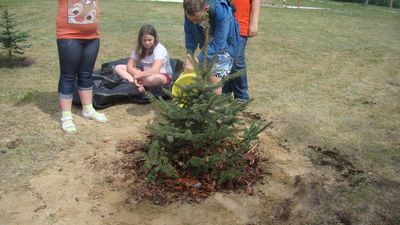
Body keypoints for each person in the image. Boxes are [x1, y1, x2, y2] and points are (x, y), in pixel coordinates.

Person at [56, 0, 107, 134]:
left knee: (86, 74)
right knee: (68, 76)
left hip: (92, 36)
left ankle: (88, 109)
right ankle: (66, 116)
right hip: (69, 36)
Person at [183, 0, 240, 95]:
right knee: (204, 72)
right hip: (208, 38)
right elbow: (190, 34)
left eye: (196, 19)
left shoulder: (220, 11)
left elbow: (219, 43)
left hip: (226, 41)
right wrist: (189, 55)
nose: (194, 23)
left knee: (215, 77)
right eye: (191, 20)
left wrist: (198, 58)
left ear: (206, 9)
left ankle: (213, 107)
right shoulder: (190, 9)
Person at [114, 24, 173, 94]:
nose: (147, 43)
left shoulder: (159, 49)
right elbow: (129, 66)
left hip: (160, 74)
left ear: (155, 38)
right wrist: (138, 75)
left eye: (150, 40)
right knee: (118, 68)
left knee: (153, 80)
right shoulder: (139, 48)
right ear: (140, 39)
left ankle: (136, 82)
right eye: (144, 40)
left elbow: (155, 70)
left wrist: (138, 76)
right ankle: (137, 84)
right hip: (144, 73)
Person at [223, 0, 260, 102]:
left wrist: (254, 22)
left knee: (236, 61)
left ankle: (241, 96)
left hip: (241, 25)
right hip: (221, 23)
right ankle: (224, 92)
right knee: (223, 59)